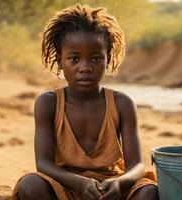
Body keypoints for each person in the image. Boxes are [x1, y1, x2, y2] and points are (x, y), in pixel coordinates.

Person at [12, 4, 159, 200]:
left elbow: (137, 166)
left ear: (107, 60)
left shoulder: (122, 103)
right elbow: (44, 164)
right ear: (60, 60)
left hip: (110, 188)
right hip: (65, 186)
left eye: (96, 58)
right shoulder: (48, 103)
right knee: (31, 184)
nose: (85, 67)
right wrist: (79, 183)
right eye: (74, 59)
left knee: (149, 191)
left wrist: (119, 183)